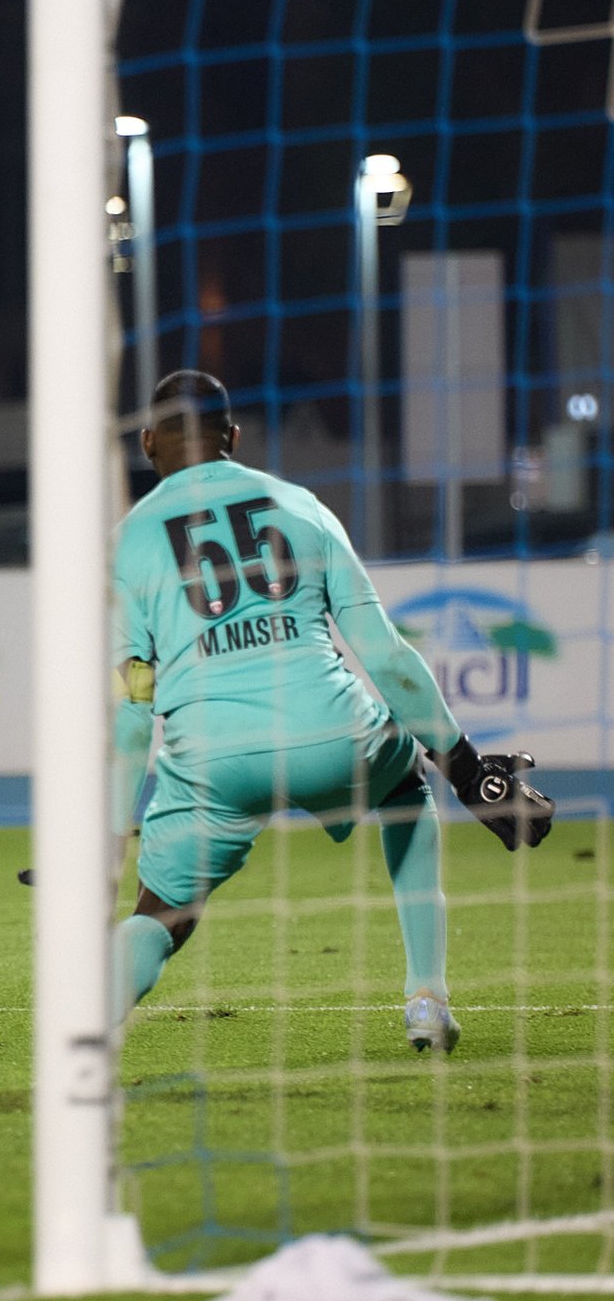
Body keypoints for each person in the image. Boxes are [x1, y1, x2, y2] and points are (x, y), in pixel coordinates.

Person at [112, 370, 555, 1054]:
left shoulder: (129, 540)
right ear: (234, 436)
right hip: (331, 733)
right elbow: (387, 656)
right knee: (407, 787)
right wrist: (467, 771)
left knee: (163, 913)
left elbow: (136, 707)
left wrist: (108, 835)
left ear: (147, 443)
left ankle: (81, 1029)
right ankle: (427, 999)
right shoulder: (301, 506)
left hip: (212, 759)